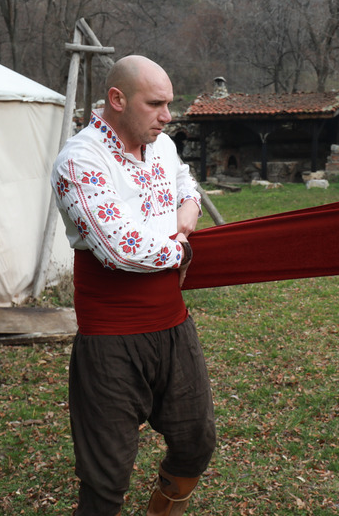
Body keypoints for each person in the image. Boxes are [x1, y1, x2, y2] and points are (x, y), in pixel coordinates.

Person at [52, 55, 215, 516]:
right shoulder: (80, 160)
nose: (168, 115)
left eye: (170, 104)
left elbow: (186, 180)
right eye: (156, 104)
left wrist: (190, 206)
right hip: (111, 339)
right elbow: (119, 248)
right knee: (106, 480)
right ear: (117, 100)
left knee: (196, 443)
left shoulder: (161, 145)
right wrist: (182, 250)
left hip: (174, 326)